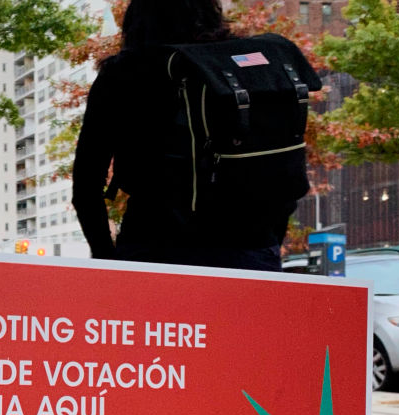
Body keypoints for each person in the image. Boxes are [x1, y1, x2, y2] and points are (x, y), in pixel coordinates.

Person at [71, 0, 299, 271]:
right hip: (250, 248)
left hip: (151, 245)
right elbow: (281, 162)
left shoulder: (123, 73)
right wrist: (267, 241)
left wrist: (106, 258)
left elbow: (86, 184)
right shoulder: (242, 70)